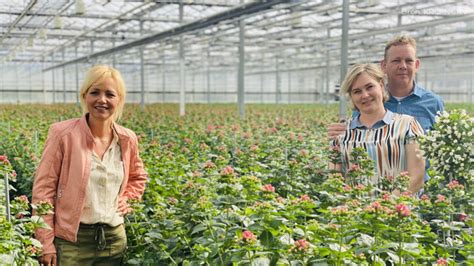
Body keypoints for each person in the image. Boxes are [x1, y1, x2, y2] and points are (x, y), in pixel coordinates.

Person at [32, 65, 148, 265]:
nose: (102, 100)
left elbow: (138, 177)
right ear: (85, 96)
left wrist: (128, 198)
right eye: (95, 92)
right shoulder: (63, 135)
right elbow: (44, 190)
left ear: (119, 100)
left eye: (110, 94)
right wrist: (45, 243)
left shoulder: (127, 139)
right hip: (71, 242)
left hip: (113, 239)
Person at [328, 35, 444, 181]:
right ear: (383, 66)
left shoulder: (433, 103)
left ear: (417, 65)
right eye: (396, 61)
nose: (403, 66)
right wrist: (338, 133)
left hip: (417, 190)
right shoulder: (370, 102)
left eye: (409, 61)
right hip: (370, 189)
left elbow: (441, 148)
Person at [330, 63, 425, 194]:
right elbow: (335, 180)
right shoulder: (342, 133)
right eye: (357, 92)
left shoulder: (407, 125)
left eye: (369, 87)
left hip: (399, 211)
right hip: (355, 212)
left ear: (381, 86)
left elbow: (416, 177)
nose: (365, 95)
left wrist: (386, 206)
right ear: (351, 97)